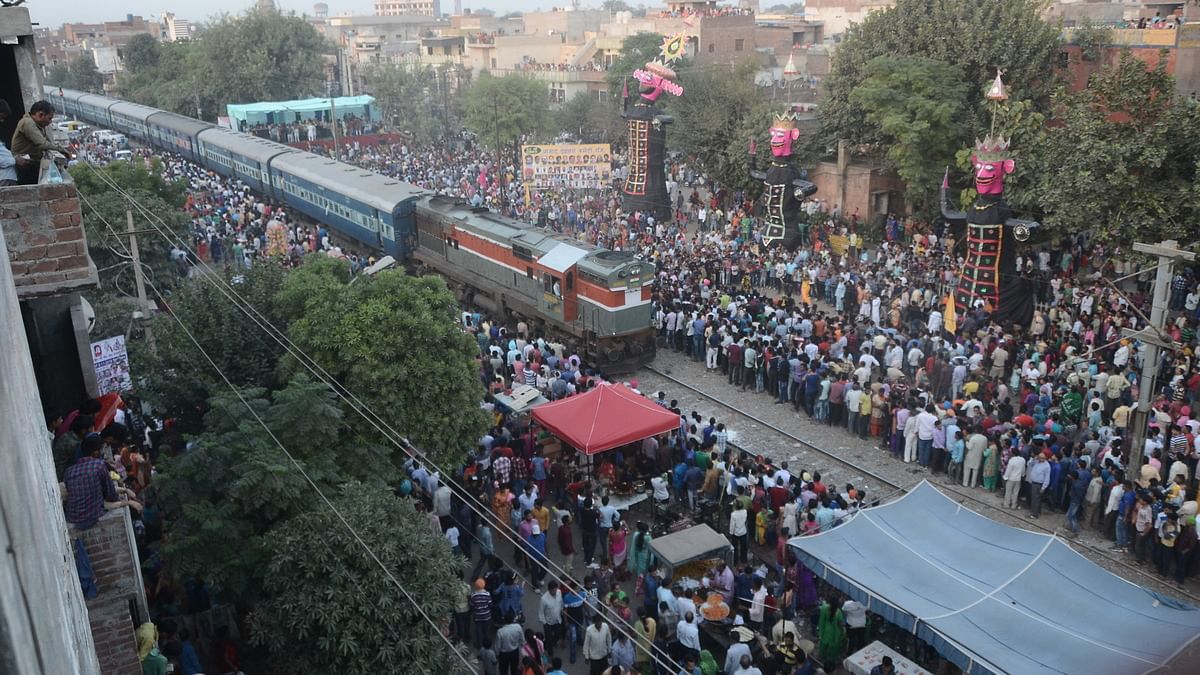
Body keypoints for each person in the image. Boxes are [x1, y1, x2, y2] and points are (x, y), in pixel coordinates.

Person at [10, 100, 69, 184]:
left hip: (33, 164)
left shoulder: (40, 126)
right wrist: (63, 150)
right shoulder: (27, 123)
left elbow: (49, 143)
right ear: (40, 115)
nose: (50, 122)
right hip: (24, 165)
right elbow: (43, 144)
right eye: (49, 118)